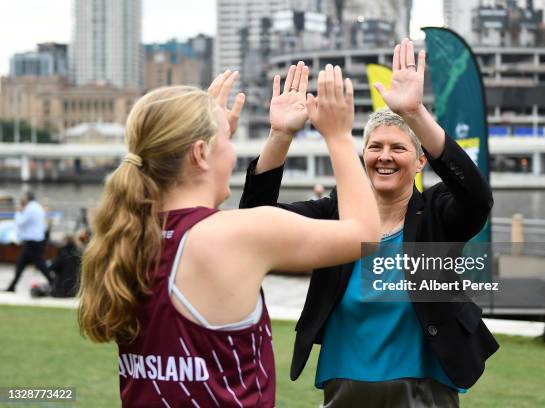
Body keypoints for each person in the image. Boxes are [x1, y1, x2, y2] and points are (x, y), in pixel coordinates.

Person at [77, 66, 380, 407]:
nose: (232, 153)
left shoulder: (130, 235)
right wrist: (338, 135)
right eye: (227, 140)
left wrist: (271, 135)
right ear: (200, 154)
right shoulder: (231, 236)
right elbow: (364, 233)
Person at [240, 39, 499, 407]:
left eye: (398, 148)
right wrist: (280, 135)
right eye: (375, 147)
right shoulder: (332, 216)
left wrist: (415, 114)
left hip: (425, 387)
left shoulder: (437, 214)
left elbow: (477, 198)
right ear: (362, 156)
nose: (385, 157)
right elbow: (255, 220)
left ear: (421, 161)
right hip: (346, 383)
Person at [4, 191, 53, 292]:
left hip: (32, 241)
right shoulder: (37, 207)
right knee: (21, 264)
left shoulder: (30, 208)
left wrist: (18, 211)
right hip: (36, 240)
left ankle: (53, 281)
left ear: (27, 199)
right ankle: (12, 286)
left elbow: (19, 222)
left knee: (38, 264)